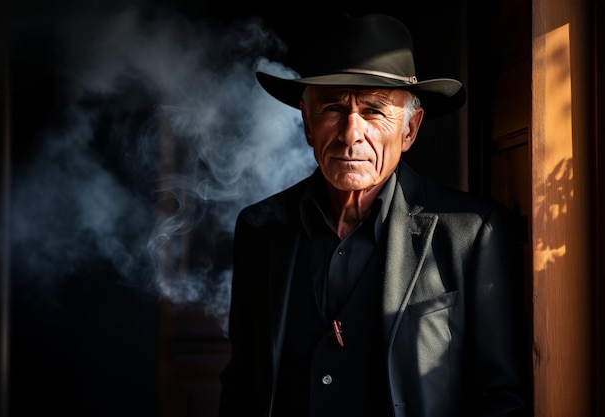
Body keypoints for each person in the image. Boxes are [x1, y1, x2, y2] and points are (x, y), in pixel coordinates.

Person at [218, 12, 530, 417]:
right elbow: (242, 383)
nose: (351, 133)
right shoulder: (260, 228)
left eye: (374, 111)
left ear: (410, 129)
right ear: (308, 124)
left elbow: (502, 398)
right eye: (332, 108)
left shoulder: (471, 231)